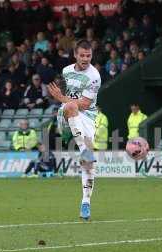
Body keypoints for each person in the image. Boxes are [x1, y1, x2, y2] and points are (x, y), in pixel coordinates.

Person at [47, 40, 101, 220]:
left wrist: (61, 97)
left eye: (89, 55)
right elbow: (66, 96)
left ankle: (86, 202)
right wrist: (60, 96)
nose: (86, 59)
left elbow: (85, 104)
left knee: (89, 165)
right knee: (70, 106)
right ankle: (83, 149)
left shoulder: (94, 76)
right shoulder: (66, 71)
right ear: (75, 55)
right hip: (67, 112)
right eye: (82, 55)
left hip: (87, 117)